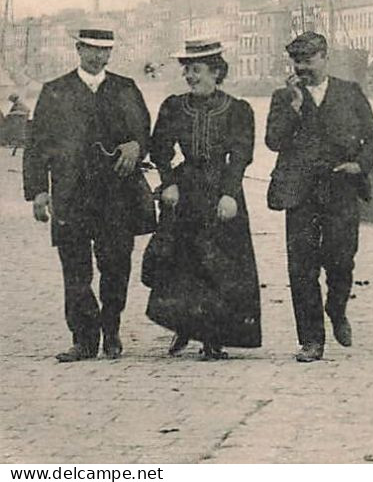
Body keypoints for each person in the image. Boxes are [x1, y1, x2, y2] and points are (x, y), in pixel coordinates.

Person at [23, 28, 153, 361]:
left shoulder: (126, 88)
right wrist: (38, 191)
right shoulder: (55, 91)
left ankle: (111, 331)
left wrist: (136, 145)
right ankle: (83, 339)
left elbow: (144, 131)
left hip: (117, 195)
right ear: (78, 49)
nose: (98, 57)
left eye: (104, 51)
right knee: (76, 271)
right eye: (91, 50)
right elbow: (37, 145)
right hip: (71, 195)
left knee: (116, 266)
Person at [266, 31, 373, 363]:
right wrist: (294, 108)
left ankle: (337, 308)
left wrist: (359, 165)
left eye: (308, 60)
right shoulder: (283, 97)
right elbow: (273, 142)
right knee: (301, 268)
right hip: (299, 192)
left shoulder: (349, 93)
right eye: (297, 61)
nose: (302, 68)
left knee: (342, 260)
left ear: (324, 57)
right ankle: (311, 340)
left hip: (340, 187)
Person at [144, 41, 261, 360]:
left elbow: (240, 155)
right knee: (183, 264)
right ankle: (184, 328)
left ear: (216, 72)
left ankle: (213, 338)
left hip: (221, 189)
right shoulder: (173, 106)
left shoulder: (238, 110)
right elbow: (160, 150)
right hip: (185, 190)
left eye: (195, 70)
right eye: (187, 70)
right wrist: (168, 183)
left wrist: (229, 194)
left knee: (220, 265)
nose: (189, 76)